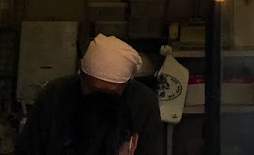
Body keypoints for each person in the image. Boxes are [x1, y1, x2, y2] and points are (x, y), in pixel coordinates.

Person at [17, 34, 162, 155]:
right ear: (81, 74)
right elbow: (28, 147)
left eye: (111, 93)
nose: (100, 100)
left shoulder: (143, 103)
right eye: (94, 89)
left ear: (126, 84)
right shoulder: (55, 96)